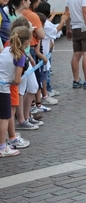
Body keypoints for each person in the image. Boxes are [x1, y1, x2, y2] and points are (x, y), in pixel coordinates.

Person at [0, 25, 32, 157]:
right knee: (5, 118)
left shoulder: (6, 49)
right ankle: (2, 147)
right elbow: (17, 80)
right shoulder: (20, 56)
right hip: (4, 89)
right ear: (26, 42)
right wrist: (15, 80)